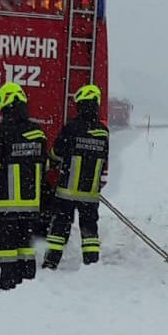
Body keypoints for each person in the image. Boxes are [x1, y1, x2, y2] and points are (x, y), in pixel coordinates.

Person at [0, 83, 48, 290]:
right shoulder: (38, 133)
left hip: (7, 202)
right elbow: (44, 166)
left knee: (7, 247)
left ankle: (7, 282)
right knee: (25, 243)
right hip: (31, 203)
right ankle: (27, 279)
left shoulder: (2, 135)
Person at [42, 84, 109, 269]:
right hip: (90, 193)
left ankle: (51, 262)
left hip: (67, 191)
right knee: (89, 231)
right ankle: (92, 263)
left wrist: (53, 161)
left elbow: (56, 152)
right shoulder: (103, 132)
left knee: (59, 228)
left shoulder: (72, 128)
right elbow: (103, 158)